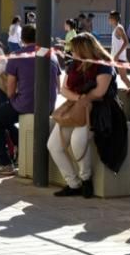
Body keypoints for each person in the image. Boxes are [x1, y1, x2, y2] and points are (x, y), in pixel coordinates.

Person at [48, 33, 121, 198]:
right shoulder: (74, 65)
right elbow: (64, 89)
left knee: (78, 141)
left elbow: (100, 91)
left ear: (84, 50)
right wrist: (80, 98)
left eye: (74, 50)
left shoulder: (103, 64)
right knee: (53, 145)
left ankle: (86, 179)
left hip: (98, 111)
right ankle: (73, 184)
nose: (71, 53)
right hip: (75, 107)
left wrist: (83, 99)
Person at [0, 25, 60, 174]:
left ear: (21, 39)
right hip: (49, 105)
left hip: (25, 104)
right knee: (5, 117)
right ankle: (19, 146)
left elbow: (10, 88)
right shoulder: (51, 54)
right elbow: (58, 85)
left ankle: (4, 163)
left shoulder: (17, 55)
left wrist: (12, 98)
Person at [108, 11, 130, 89]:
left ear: (113, 19)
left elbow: (126, 42)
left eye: (109, 17)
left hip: (119, 58)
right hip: (116, 58)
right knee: (111, 77)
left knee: (123, 77)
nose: (108, 19)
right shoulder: (116, 28)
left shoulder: (119, 28)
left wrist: (117, 55)